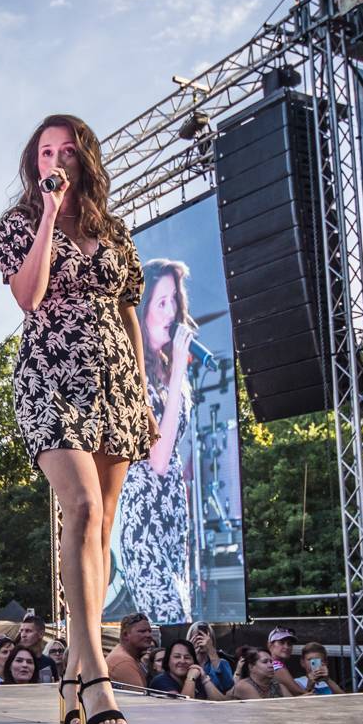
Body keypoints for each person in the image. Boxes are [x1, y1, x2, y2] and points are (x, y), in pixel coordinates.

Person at [0, 114, 155, 724]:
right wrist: (46, 219)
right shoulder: (17, 224)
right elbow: (29, 297)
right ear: (36, 165)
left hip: (113, 383)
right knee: (81, 508)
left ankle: (69, 679)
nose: (54, 160)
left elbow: (129, 314)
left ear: (84, 157)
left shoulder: (114, 231)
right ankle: (93, 674)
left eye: (65, 150)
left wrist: (142, 396)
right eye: (43, 153)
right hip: (51, 377)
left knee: (103, 528)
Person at [114, 258, 197, 623]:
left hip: (173, 522)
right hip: (145, 522)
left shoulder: (171, 370)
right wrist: (179, 369)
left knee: (180, 624)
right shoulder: (133, 375)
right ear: (141, 312)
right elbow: (157, 458)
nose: (170, 312)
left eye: (174, 301)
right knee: (170, 620)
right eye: (160, 303)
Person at [148, 639, 225, 700]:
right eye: (177, 657)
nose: (182, 661)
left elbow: (221, 704)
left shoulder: (197, 679)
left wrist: (204, 679)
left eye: (187, 657)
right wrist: (190, 679)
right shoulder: (160, 681)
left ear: (193, 661)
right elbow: (184, 707)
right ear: (168, 660)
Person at [106, 612, 153, 689]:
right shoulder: (123, 662)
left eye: (149, 631)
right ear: (125, 635)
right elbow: (140, 699)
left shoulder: (128, 657)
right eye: (142, 631)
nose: (148, 635)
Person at [186, 621, 234, 695]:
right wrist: (190, 653)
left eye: (204, 636)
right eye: (197, 636)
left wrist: (211, 650)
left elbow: (228, 686)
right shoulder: (183, 663)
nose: (201, 640)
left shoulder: (222, 663)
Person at [266, 627, 308, 696]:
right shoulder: (275, 665)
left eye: (289, 644)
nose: (286, 647)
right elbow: (300, 694)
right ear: (270, 645)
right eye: (281, 643)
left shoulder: (276, 664)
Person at [18, 615, 57, 683]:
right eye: (21, 631)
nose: (23, 635)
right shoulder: (15, 661)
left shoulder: (49, 663)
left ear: (41, 634)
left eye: (28, 631)